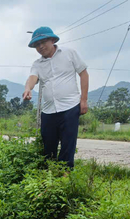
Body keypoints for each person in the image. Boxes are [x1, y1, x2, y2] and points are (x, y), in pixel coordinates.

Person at [22, 26, 89, 168]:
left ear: (52, 40)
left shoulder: (69, 53)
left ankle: (65, 174)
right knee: (49, 144)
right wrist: (28, 88)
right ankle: (50, 173)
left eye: (43, 42)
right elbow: (32, 77)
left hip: (70, 106)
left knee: (68, 142)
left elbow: (83, 74)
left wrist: (83, 100)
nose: (40, 46)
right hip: (48, 111)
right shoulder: (37, 64)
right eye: (36, 45)